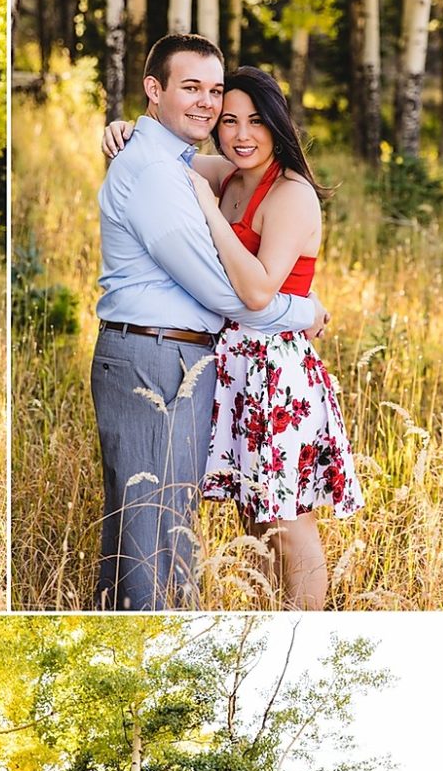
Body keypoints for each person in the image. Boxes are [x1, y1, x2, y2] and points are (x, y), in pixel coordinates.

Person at [103, 67, 361, 609]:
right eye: (229, 121)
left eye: (256, 122)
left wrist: (207, 210)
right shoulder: (230, 172)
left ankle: (305, 631)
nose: (242, 135)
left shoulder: (290, 193)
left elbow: (258, 291)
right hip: (232, 365)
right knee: (256, 516)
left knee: (288, 519)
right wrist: (124, 126)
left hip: (276, 370)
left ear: (277, 124)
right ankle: (272, 620)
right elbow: (163, 154)